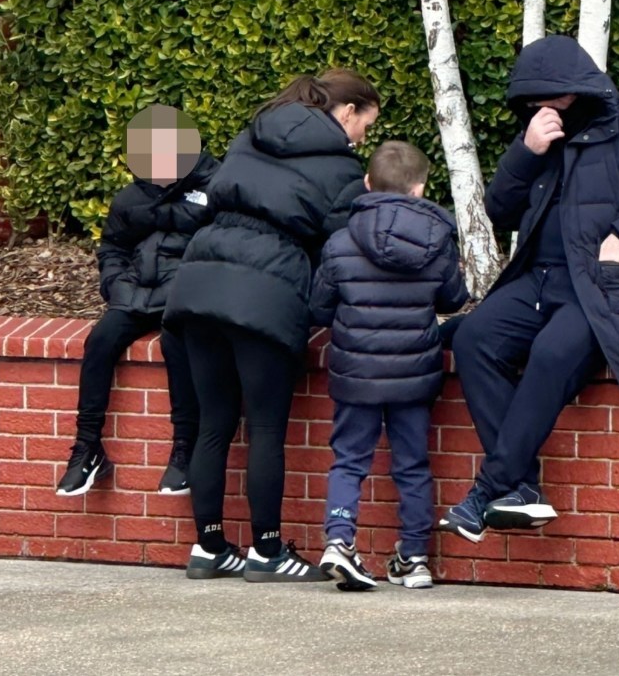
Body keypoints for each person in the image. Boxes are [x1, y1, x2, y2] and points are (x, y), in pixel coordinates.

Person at [440, 35, 619, 542]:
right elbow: (500, 210)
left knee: (551, 353)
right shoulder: (541, 137)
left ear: (580, 88)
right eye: (532, 101)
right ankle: (521, 488)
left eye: (554, 98)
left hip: (606, 285)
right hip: (536, 280)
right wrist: (526, 153)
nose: (543, 108)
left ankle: (487, 491)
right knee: (473, 338)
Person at [163, 68, 381, 581]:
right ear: (347, 113)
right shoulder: (342, 171)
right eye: (365, 124)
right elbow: (337, 246)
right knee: (264, 428)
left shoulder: (251, 134)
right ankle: (267, 551)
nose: (363, 136)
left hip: (199, 281)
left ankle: (209, 548)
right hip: (265, 294)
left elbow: (214, 199)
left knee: (213, 424)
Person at [309, 141, 469, 591]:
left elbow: (319, 307)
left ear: (367, 183)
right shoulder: (437, 239)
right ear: (420, 189)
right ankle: (414, 556)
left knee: (349, 460)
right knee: (413, 463)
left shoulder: (341, 240)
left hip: (354, 372)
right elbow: (454, 299)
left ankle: (339, 540)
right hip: (414, 372)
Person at [56, 147, 220, 496]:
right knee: (100, 341)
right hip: (133, 293)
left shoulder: (213, 190)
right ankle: (87, 449)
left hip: (183, 293)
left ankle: (184, 451)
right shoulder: (132, 196)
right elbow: (112, 247)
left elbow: (222, 245)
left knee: (177, 343)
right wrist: (114, 285)